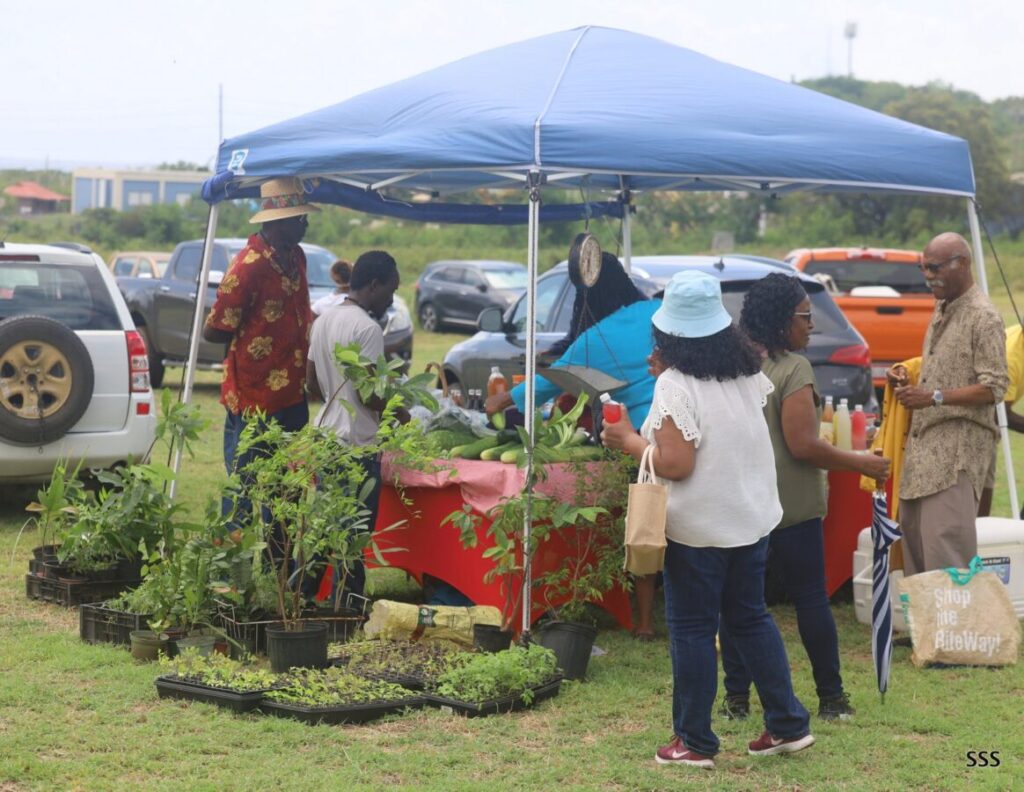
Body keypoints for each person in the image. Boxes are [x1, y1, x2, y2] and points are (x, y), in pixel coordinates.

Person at [602, 271, 813, 769]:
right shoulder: (745, 371)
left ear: (668, 334)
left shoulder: (675, 384)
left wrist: (628, 440)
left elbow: (677, 464)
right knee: (750, 618)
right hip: (750, 518)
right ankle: (787, 724)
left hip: (698, 529)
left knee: (694, 630)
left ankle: (694, 741)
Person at [715, 273, 891, 724]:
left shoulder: (734, 365)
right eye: (805, 317)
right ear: (782, 320)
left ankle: (736, 700)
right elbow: (803, 446)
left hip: (742, 502)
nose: (811, 325)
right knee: (810, 599)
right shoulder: (794, 369)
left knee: (739, 605)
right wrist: (861, 462)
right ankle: (831, 698)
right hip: (791, 505)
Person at [484, 251, 661, 639]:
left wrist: (499, 401)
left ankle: (645, 622)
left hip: (640, 436)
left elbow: (547, 383)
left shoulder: (594, 339)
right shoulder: (657, 311)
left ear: (586, 299)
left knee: (645, 524)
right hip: (682, 427)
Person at [889, 232, 1007, 576]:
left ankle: (953, 617)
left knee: (948, 564)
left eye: (935, 267)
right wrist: (909, 376)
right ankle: (924, 616)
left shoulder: (984, 317)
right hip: (922, 457)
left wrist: (934, 397)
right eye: (923, 268)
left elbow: (995, 386)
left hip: (957, 457)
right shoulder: (943, 307)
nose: (928, 276)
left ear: (963, 264)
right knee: (917, 560)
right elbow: (946, 367)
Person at [203, 177, 317, 499]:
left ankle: (277, 537)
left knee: (288, 487)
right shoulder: (247, 267)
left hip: (292, 393)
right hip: (255, 399)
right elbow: (214, 330)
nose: (306, 225)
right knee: (246, 486)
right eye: (300, 218)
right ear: (280, 221)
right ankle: (238, 534)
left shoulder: (297, 257)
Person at [306, 250, 406, 598]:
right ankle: (349, 605)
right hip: (357, 446)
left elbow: (311, 383)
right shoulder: (367, 328)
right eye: (391, 291)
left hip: (326, 438)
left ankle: (301, 595)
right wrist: (399, 411)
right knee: (355, 534)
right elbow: (369, 394)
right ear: (374, 285)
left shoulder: (323, 320)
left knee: (325, 528)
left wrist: (337, 396)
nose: (392, 300)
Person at [978, 323, 1023, 517]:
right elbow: (1000, 413)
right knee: (980, 488)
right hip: (978, 420)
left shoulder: (1018, 332)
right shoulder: (1011, 358)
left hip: (988, 418)